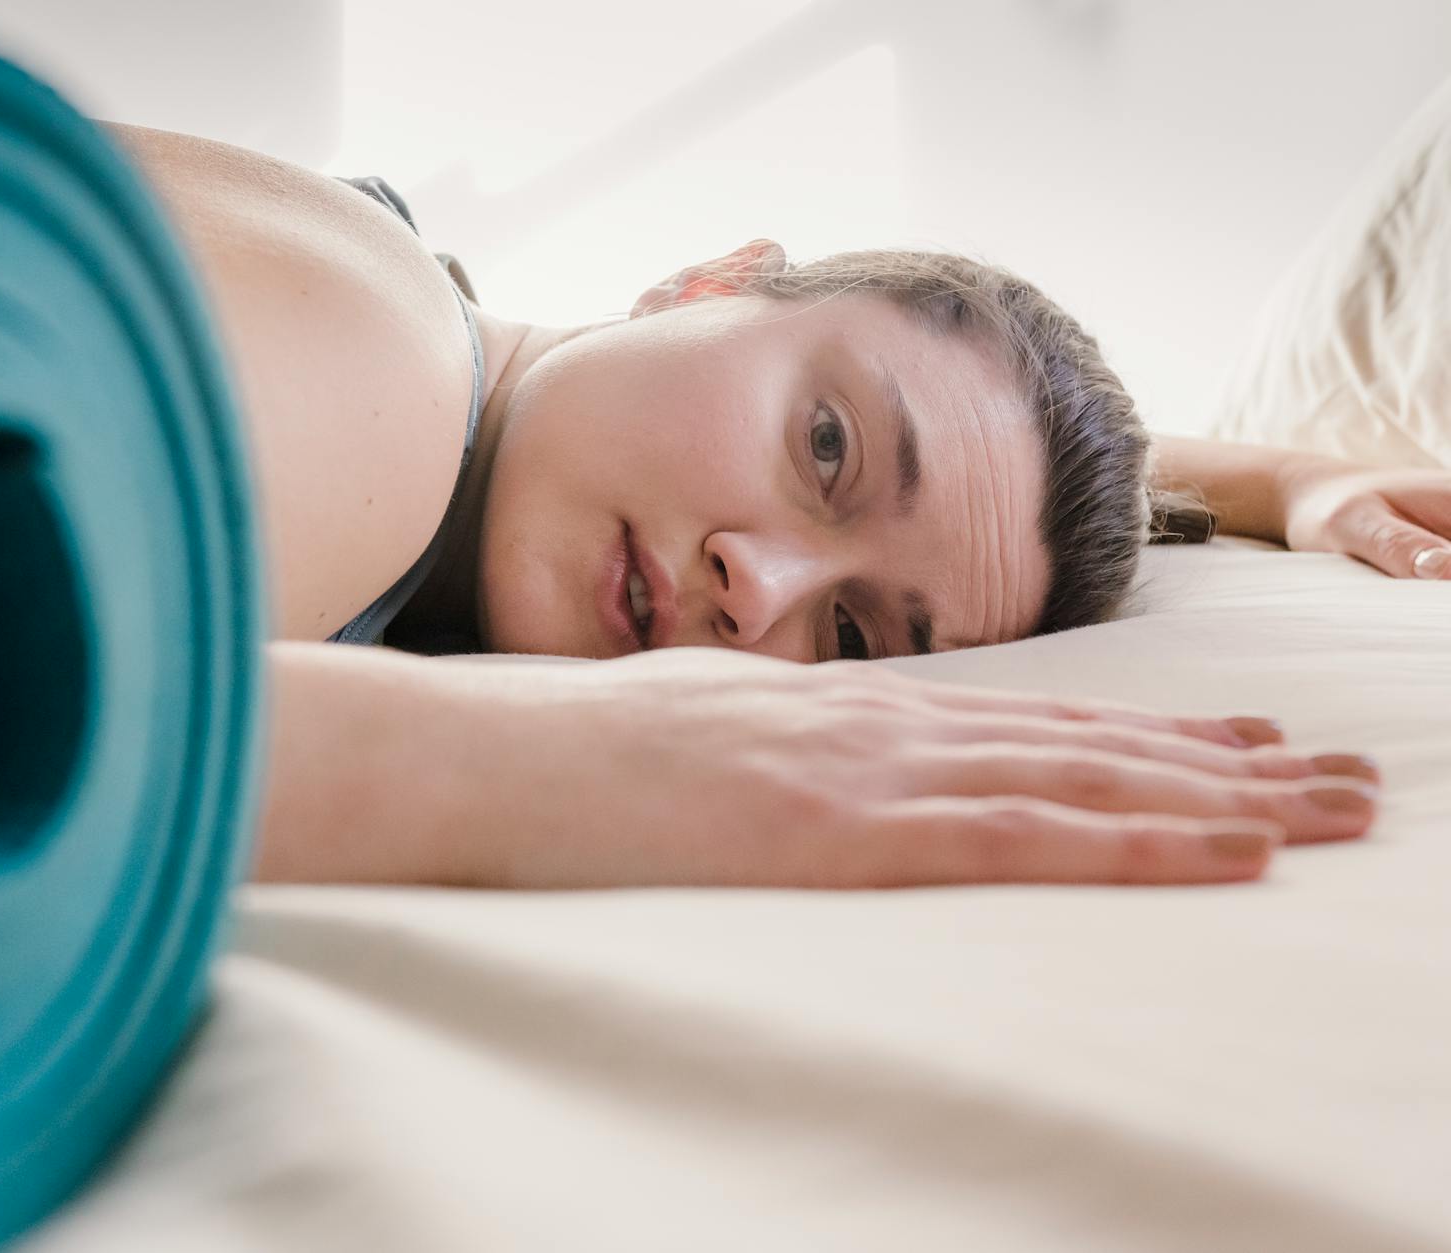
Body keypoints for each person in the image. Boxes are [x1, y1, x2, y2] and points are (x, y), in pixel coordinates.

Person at [103, 122, 1449, 891]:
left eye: (855, 637)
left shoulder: (423, 384)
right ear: (706, 279)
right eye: (822, 445)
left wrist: (1276, 475)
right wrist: (550, 766)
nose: (763, 591)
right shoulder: (384, 359)